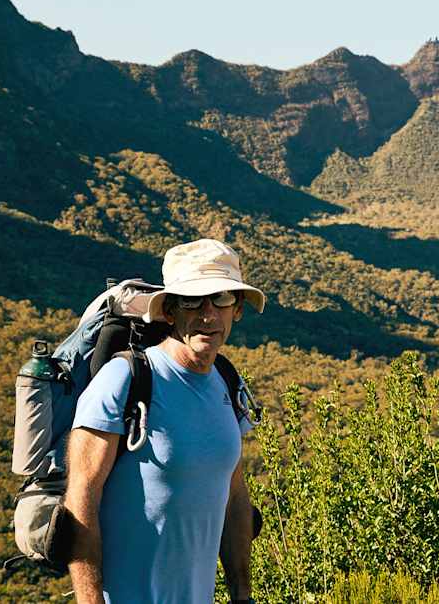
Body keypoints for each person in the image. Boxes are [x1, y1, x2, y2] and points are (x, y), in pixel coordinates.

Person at [63, 238, 265, 604]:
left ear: (237, 309)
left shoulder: (227, 383)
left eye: (221, 298)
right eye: (193, 300)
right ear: (169, 310)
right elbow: (81, 502)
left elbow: (233, 495)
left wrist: (243, 595)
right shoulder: (124, 380)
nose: (209, 314)